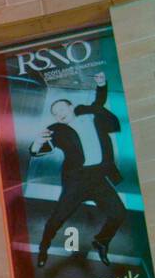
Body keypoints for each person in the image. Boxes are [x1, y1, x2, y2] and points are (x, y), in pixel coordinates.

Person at [28, 71, 126, 267]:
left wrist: (102, 84)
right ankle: (43, 248)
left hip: (98, 177)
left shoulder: (90, 116)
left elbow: (98, 103)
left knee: (118, 214)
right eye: (55, 113)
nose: (59, 114)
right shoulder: (57, 129)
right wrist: (37, 144)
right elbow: (39, 150)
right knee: (57, 219)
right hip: (76, 180)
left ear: (72, 107)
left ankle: (101, 241)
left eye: (62, 109)